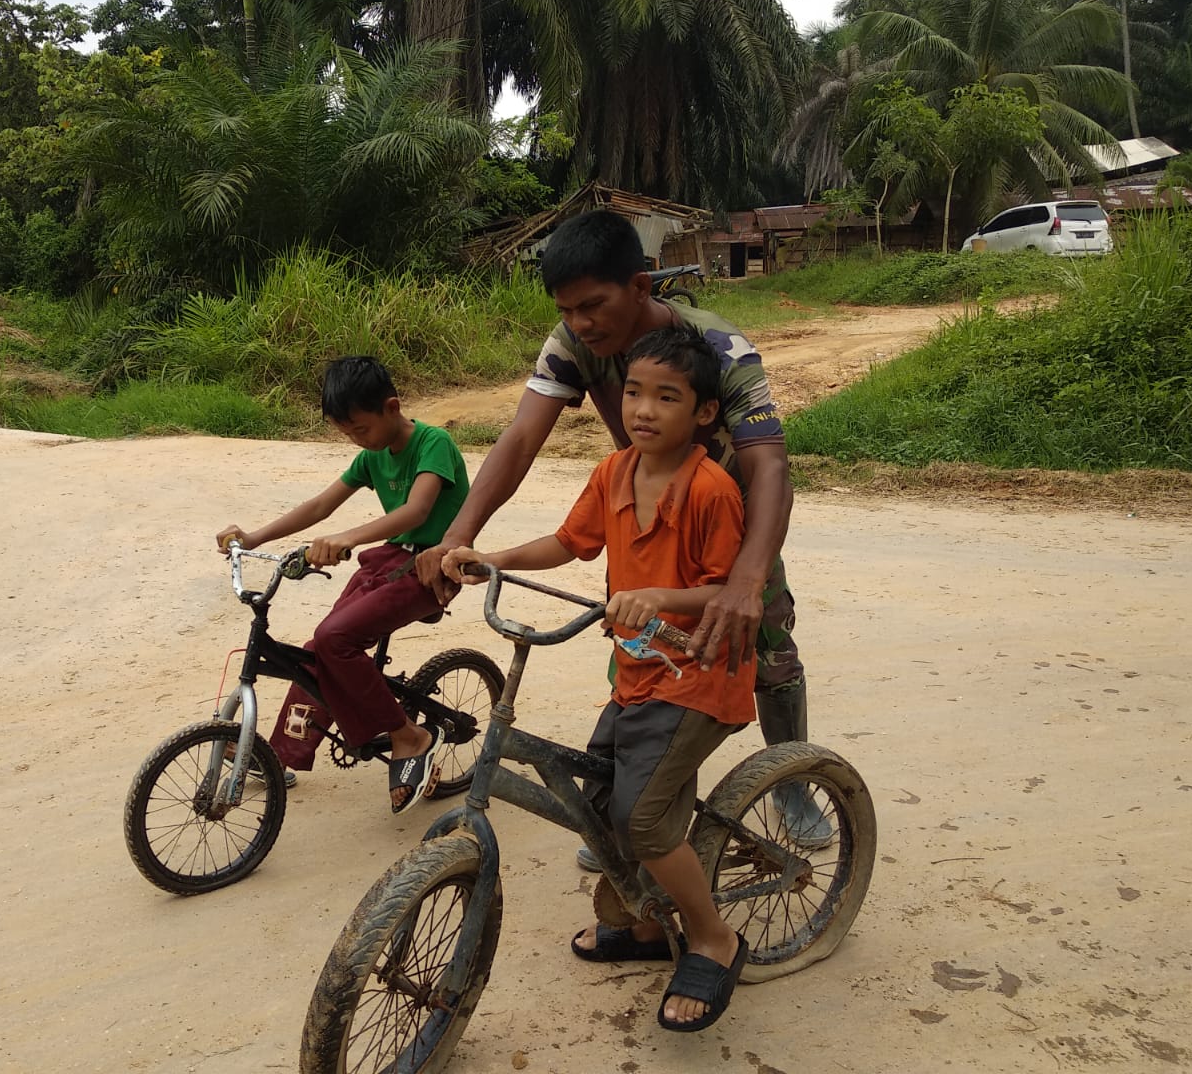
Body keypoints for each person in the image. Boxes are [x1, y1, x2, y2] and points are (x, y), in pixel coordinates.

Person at [417, 209, 831, 852]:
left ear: (640, 288)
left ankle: (791, 782)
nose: (579, 323)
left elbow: (769, 461)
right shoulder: (573, 343)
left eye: (592, 305)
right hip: (642, 523)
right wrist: (457, 536)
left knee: (767, 654)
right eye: (566, 309)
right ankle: (641, 803)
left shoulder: (719, 348)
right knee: (643, 659)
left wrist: (747, 578)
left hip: (730, 526)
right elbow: (523, 435)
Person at [443, 327, 754, 1032]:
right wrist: (491, 556)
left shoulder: (711, 489)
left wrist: (661, 597)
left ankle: (712, 937)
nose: (645, 409)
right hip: (641, 672)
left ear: (703, 413)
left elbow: (730, 591)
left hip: (701, 674)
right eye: (635, 392)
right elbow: (568, 543)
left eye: (667, 397)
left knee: (641, 817)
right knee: (603, 793)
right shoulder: (613, 472)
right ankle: (646, 929)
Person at [216, 357, 468, 814]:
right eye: (347, 434)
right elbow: (319, 507)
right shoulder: (371, 455)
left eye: (360, 429)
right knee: (320, 650)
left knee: (336, 639)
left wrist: (349, 537)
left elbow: (416, 512)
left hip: (430, 567)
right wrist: (253, 537)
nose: (357, 440)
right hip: (385, 562)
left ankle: (409, 736)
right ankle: (278, 756)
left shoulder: (435, 442)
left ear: (392, 407)